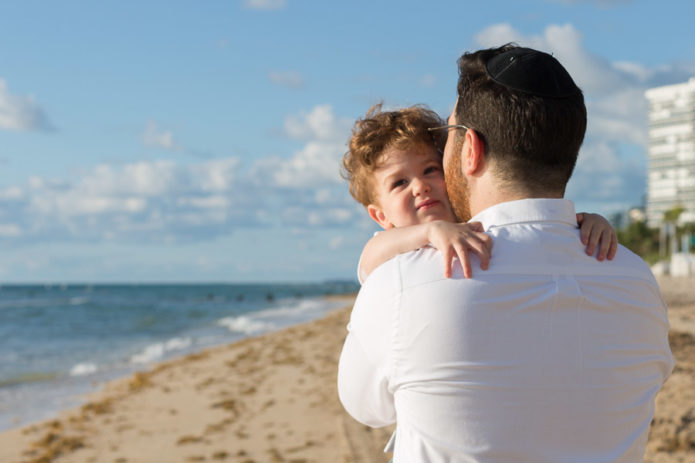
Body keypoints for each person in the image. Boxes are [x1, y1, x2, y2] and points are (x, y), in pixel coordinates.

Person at [338, 45, 674, 463]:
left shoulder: (405, 284)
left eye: (441, 150)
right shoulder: (635, 279)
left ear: (469, 150)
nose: (424, 186)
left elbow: (365, 407)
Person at [342, 103, 618, 284]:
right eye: (399, 183)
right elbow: (371, 256)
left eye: (430, 170)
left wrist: (589, 223)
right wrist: (431, 232)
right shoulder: (391, 246)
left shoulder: (474, 221)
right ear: (380, 215)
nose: (420, 186)